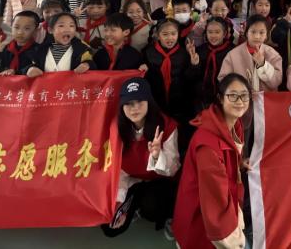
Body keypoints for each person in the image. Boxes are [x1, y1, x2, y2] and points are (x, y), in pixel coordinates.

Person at [173, 73, 250, 249]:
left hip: (218, 196)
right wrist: (237, 242)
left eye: (244, 95)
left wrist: (239, 164)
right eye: (233, 95)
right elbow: (215, 206)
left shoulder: (233, 125)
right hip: (203, 217)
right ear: (221, 99)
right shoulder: (208, 147)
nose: (240, 101)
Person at [102, 77, 179, 240]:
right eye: (129, 103)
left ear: (149, 101)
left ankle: (165, 214)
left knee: (151, 208)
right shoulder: (116, 128)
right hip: (132, 181)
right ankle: (133, 204)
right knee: (109, 226)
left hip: (158, 181)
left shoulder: (167, 126)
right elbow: (120, 172)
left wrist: (158, 156)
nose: (134, 108)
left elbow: (173, 170)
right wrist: (118, 203)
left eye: (139, 102)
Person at [141, 19, 199, 126]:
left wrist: (193, 65)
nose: (170, 38)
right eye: (165, 34)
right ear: (158, 36)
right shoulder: (148, 52)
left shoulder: (184, 53)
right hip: (157, 100)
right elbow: (146, 80)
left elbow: (189, 80)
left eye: (173, 34)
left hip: (179, 102)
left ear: (178, 35)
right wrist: (144, 70)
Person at [219, 15, 282, 92]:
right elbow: (223, 79)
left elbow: (276, 82)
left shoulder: (273, 55)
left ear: (266, 35)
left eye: (261, 32)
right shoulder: (232, 55)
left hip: (266, 98)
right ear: (246, 33)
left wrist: (263, 64)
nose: (257, 36)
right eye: (253, 32)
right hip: (241, 98)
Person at [27, 12, 96, 75]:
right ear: (50, 30)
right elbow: (32, 65)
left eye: (71, 26)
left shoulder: (82, 50)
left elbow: (92, 65)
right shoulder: (40, 50)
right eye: (61, 26)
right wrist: (30, 69)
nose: (67, 29)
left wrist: (87, 65)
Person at [0, 10, 40, 75]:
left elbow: (37, 71)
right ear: (11, 27)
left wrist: (16, 72)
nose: (20, 32)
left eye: (27, 28)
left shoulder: (39, 50)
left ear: (35, 30)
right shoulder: (5, 48)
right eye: (16, 27)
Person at [195, 17, 234, 109]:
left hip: (223, 96)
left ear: (224, 34)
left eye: (217, 32)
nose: (213, 35)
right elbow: (192, 77)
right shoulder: (200, 50)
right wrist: (194, 64)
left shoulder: (232, 51)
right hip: (201, 97)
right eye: (210, 32)